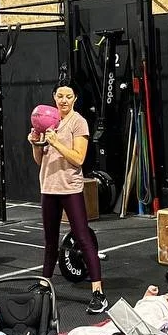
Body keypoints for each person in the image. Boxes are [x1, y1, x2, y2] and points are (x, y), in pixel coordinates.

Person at [29, 83, 107, 316]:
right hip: (49, 187)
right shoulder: (46, 121)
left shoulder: (78, 122)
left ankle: (98, 294)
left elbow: (78, 159)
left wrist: (56, 142)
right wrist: (36, 142)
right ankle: (44, 284)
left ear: (74, 99)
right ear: (54, 97)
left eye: (68, 96)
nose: (63, 100)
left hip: (70, 188)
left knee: (83, 238)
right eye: (60, 96)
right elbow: (39, 161)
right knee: (50, 241)